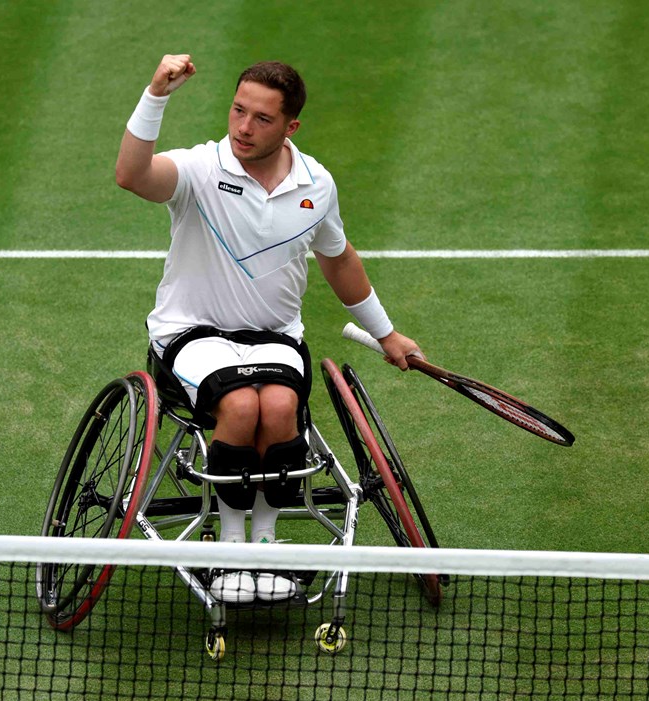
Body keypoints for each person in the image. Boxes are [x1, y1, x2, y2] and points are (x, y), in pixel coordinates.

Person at [116, 54, 422, 604]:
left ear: (290, 127)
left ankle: (267, 543)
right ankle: (233, 550)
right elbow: (131, 176)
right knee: (239, 408)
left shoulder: (315, 184)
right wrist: (156, 93)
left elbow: (339, 259)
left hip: (274, 335)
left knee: (280, 408)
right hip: (191, 335)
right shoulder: (201, 170)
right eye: (238, 110)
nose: (243, 127)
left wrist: (386, 333)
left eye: (261, 118)